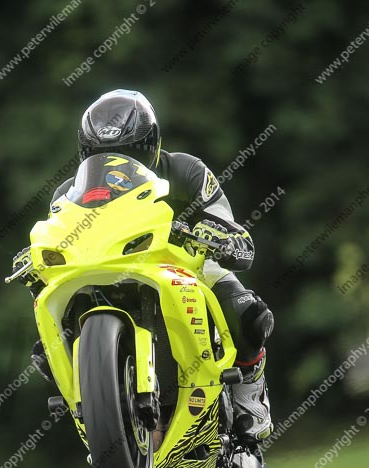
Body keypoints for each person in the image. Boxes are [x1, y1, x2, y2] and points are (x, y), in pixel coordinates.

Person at [36, 89, 274, 440]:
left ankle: (250, 395)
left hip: (184, 263)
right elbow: (55, 240)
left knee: (249, 314)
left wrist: (221, 236)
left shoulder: (186, 170)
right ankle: (94, 407)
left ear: (151, 145)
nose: (116, 164)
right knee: (46, 347)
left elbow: (224, 218)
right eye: (102, 155)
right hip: (100, 270)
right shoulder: (67, 195)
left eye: (128, 153)